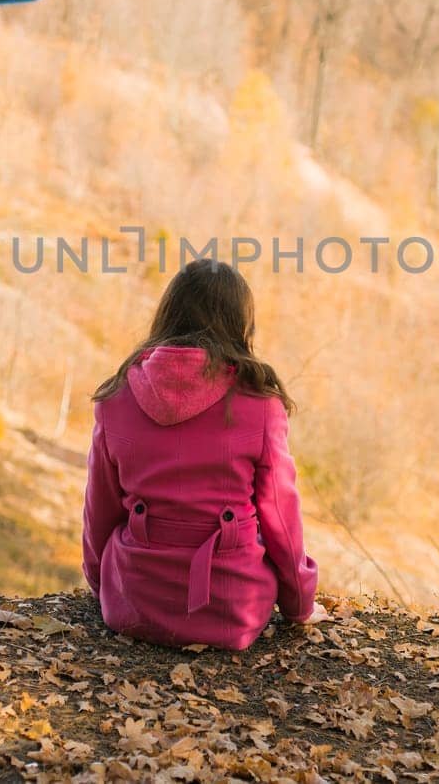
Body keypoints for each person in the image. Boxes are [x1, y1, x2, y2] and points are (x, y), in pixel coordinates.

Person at [82, 258, 323, 650]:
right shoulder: (259, 403)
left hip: (132, 603)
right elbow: (280, 515)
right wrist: (300, 603)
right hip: (232, 608)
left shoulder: (116, 397)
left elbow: (100, 509)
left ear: (168, 314)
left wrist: (100, 586)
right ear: (238, 323)